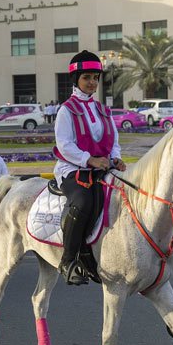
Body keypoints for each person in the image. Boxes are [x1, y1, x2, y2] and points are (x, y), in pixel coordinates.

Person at [54, 50, 125, 286]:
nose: (92, 82)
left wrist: (115, 158)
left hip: (102, 168)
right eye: (87, 78)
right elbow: (64, 145)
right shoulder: (66, 110)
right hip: (72, 169)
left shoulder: (103, 110)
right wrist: (89, 160)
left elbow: (113, 141)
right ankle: (68, 260)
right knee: (83, 201)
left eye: (95, 77)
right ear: (76, 80)